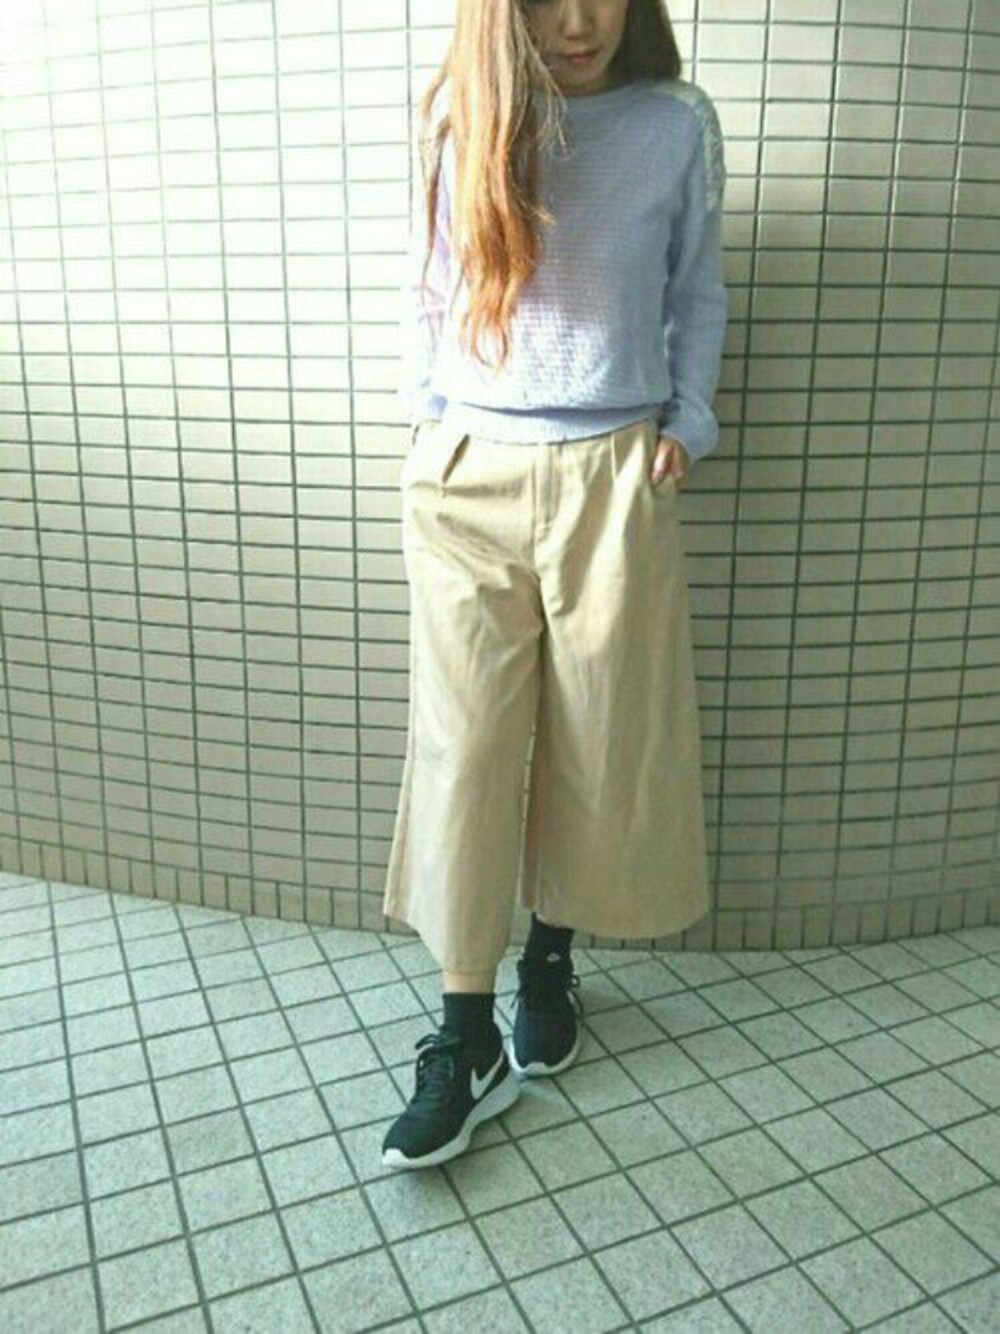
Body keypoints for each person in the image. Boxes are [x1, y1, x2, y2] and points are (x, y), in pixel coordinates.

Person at [381, 0, 728, 1170]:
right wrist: (426, 424)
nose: (576, 21)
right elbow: (428, 289)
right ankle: (463, 1027)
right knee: (467, 744)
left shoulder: (675, 123)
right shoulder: (462, 116)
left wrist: (686, 420)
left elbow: (694, 290)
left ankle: (550, 961)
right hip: (467, 470)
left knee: (594, 736)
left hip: (613, 467)